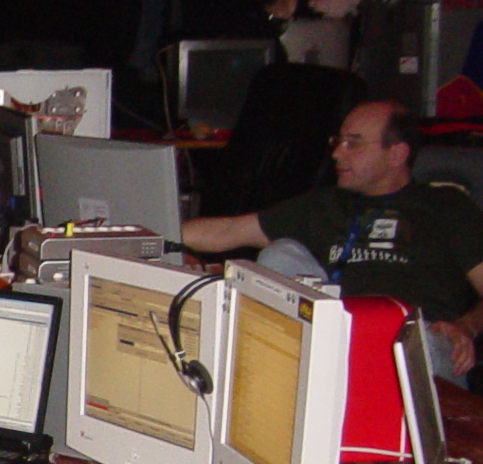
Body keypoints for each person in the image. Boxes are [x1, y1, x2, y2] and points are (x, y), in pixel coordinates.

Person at [182, 99, 483, 379]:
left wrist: (465, 327)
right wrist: (157, 231)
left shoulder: (445, 206)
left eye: (354, 143)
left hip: (418, 340)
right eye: (338, 141)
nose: (337, 153)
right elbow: (228, 231)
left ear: (397, 154)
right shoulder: (325, 204)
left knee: (412, 347)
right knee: (278, 254)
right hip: (340, 333)